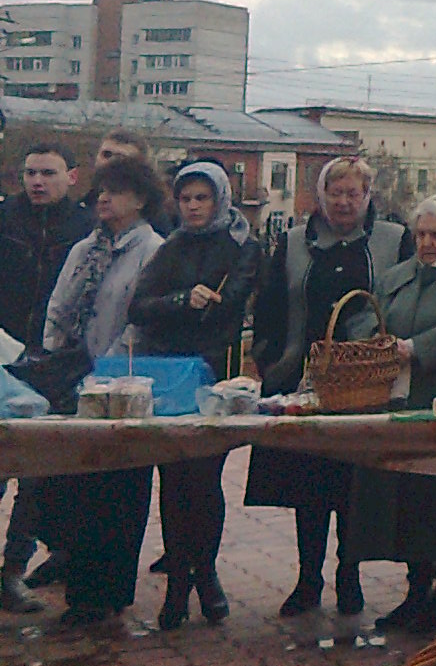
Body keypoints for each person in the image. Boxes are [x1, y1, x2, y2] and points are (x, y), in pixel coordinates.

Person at [246, 154, 408, 617]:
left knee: (354, 487)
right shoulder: (294, 242)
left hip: (365, 384)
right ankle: (307, 578)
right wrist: (270, 359)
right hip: (304, 381)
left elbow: (400, 301)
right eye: (334, 193)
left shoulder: (394, 239)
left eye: (352, 193)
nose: (343, 202)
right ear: (321, 196)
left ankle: (349, 575)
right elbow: (271, 303)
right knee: (309, 487)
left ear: (368, 196)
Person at [342, 194, 436, 635]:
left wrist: (416, 349)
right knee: (407, 499)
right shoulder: (398, 276)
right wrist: (376, 343)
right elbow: (366, 316)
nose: (427, 243)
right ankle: (416, 590)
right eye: (421, 234)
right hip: (402, 399)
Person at [125, 161, 260, 629]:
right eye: (185, 199)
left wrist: (194, 307)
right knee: (174, 477)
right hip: (171, 377)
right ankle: (179, 582)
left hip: (216, 376)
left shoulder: (242, 244)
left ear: (219, 199)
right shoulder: (172, 247)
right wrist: (184, 300)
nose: (194, 207)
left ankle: (205, 573)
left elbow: (230, 304)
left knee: (204, 478)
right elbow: (140, 307)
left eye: (202, 198)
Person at [38, 154, 164, 626]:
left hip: (121, 386)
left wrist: (106, 373)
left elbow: (141, 320)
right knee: (76, 489)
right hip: (70, 383)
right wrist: (55, 360)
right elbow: (58, 305)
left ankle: (110, 591)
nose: (104, 199)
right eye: (101, 190)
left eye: (116, 191)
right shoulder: (84, 248)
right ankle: (81, 590)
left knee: (119, 489)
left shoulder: (153, 249)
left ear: (141, 199)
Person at [0, 142, 90, 613]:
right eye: (31, 172)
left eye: (48, 173)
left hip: (56, 365)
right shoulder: (4, 219)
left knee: (36, 476)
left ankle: (13, 569)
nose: (37, 181)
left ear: (71, 176)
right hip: (3, 357)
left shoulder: (85, 228)